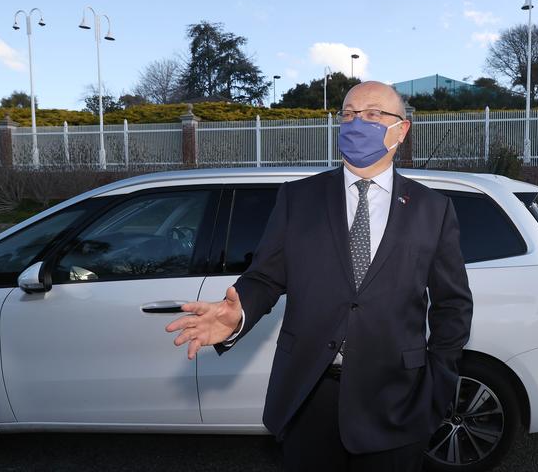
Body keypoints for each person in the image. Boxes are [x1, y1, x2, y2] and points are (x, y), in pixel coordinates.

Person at [166, 81, 473, 471]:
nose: (358, 122)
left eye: (373, 114)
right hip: (308, 395)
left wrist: (438, 386)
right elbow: (265, 277)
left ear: (402, 129)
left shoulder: (433, 209)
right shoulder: (298, 199)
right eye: (348, 114)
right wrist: (238, 313)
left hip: (397, 399)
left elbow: (453, 305)